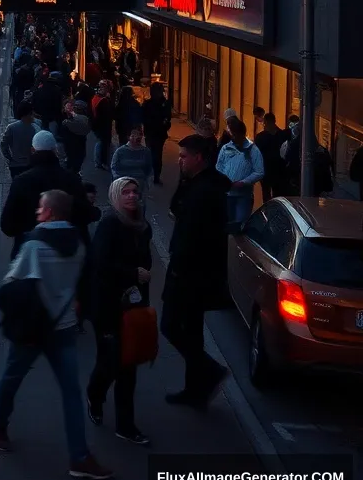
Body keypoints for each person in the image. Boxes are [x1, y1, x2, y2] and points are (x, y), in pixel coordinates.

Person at [0, 189, 113, 480]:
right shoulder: (80, 243)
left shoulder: (34, 245)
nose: (37, 213)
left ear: (51, 212)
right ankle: (80, 457)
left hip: (32, 329)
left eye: (41, 208)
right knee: (71, 394)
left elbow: (11, 285)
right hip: (64, 327)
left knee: (11, 377)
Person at [161, 134, 229, 408]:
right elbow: (175, 207)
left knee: (170, 326)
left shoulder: (205, 192)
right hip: (197, 273)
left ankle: (210, 371)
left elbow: (192, 234)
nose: (179, 160)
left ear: (199, 157)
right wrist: (183, 178)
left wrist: (179, 269)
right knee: (191, 331)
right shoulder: (199, 183)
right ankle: (195, 390)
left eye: (183, 156)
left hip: (190, 273)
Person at [86, 177, 153, 445]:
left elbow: (145, 260)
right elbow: (100, 265)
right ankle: (95, 394)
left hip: (133, 304)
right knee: (110, 361)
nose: (131, 196)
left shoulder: (143, 225)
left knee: (129, 364)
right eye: (125, 192)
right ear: (115, 196)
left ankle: (125, 425)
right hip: (107, 306)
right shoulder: (109, 225)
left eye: (135, 191)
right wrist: (132, 273)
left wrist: (142, 279)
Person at [0, 131, 101, 257]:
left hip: (29, 255)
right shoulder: (71, 179)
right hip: (66, 253)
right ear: (55, 150)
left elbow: (7, 226)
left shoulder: (21, 182)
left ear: (33, 150)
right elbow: (84, 214)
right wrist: (95, 211)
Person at [216, 118, 265, 227]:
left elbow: (259, 171)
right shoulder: (226, 148)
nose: (232, 138)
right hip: (227, 194)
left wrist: (243, 182)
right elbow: (219, 166)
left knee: (239, 226)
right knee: (225, 224)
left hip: (243, 196)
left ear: (241, 134)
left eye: (234, 135)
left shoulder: (253, 150)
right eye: (231, 135)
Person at [140, 83, 172, 185]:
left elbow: (143, 117)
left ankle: (151, 174)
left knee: (151, 153)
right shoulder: (165, 103)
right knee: (157, 154)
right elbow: (168, 118)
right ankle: (156, 176)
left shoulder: (148, 103)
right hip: (159, 132)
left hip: (151, 132)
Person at [110, 127, 154, 199]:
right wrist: (118, 181)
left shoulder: (146, 152)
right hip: (123, 181)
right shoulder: (120, 151)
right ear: (129, 137)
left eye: (139, 135)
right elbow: (114, 167)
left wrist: (147, 183)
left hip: (139, 183)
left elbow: (149, 169)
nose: (137, 137)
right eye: (134, 135)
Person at [254, 112, 287, 201]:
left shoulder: (260, 137)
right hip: (279, 170)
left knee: (266, 194)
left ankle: (269, 211)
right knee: (278, 195)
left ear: (265, 122)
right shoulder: (283, 135)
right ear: (275, 121)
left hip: (266, 170)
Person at [0, 102, 38, 178]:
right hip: (30, 164)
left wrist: (9, 158)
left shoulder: (11, 127)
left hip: (15, 164)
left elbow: (3, 145)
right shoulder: (35, 128)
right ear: (29, 113)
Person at [60, 100, 92, 174]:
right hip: (72, 150)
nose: (70, 108)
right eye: (68, 106)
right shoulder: (66, 120)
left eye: (72, 107)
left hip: (75, 149)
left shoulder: (76, 120)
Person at [92, 83, 116, 172]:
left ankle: (99, 162)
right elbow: (108, 114)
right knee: (102, 144)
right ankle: (101, 162)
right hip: (103, 126)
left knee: (100, 143)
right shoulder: (104, 101)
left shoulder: (95, 98)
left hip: (97, 125)